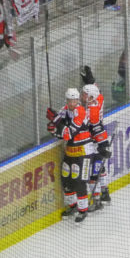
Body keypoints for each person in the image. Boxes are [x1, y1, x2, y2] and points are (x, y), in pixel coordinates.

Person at [47, 88, 94, 222]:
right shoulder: (64, 109)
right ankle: (72, 205)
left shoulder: (81, 112)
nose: (71, 103)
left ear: (78, 100)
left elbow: (68, 133)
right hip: (70, 150)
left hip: (84, 151)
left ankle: (83, 209)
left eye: (73, 100)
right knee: (66, 177)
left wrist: (56, 122)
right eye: (69, 100)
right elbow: (55, 130)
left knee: (79, 180)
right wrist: (54, 126)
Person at [79, 78, 112, 210]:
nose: (82, 96)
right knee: (100, 169)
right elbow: (99, 92)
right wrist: (91, 81)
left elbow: (97, 128)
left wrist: (103, 144)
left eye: (84, 94)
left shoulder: (91, 113)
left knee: (93, 172)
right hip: (97, 142)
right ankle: (105, 193)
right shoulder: (98, 99)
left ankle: (97, 200)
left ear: (91, 97)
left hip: (93, 144)